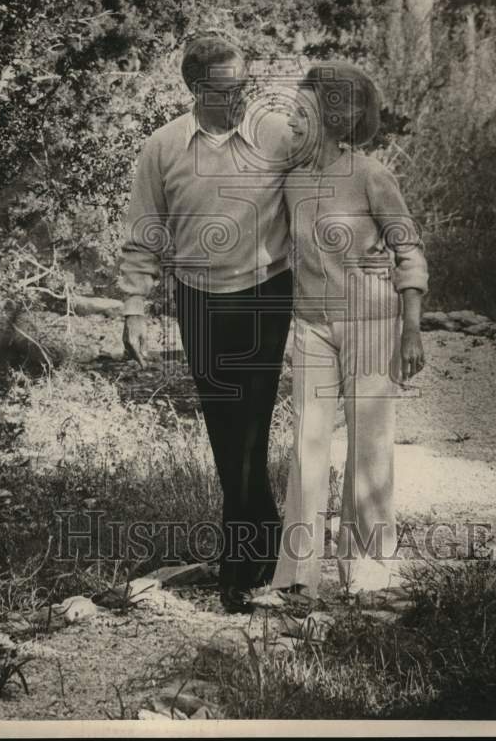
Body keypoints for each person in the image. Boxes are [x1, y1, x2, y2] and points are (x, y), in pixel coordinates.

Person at [118, 31, 296, 613]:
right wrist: (133, 308)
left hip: (267, 293)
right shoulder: (163, 147)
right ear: (196, 89)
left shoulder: (275, 134)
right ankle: (263, 538)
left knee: (252, 423)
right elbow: (145, 232)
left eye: (246, 84)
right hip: (199, 300)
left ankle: (238, 564)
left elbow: (322, 197)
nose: (241, 96)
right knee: (226, 427)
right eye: (227, 89)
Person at [256, 60, 429, 611]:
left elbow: (409, 251)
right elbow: (265, 247)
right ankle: (296, 581)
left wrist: (412, 330)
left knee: (369, 448)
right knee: (307, 446)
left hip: (373, 324)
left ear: (335, 116)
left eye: (304, 108)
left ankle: (370, 574)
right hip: (310, 325)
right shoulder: (291, 178)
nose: (295, 117)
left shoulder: (371, 175)